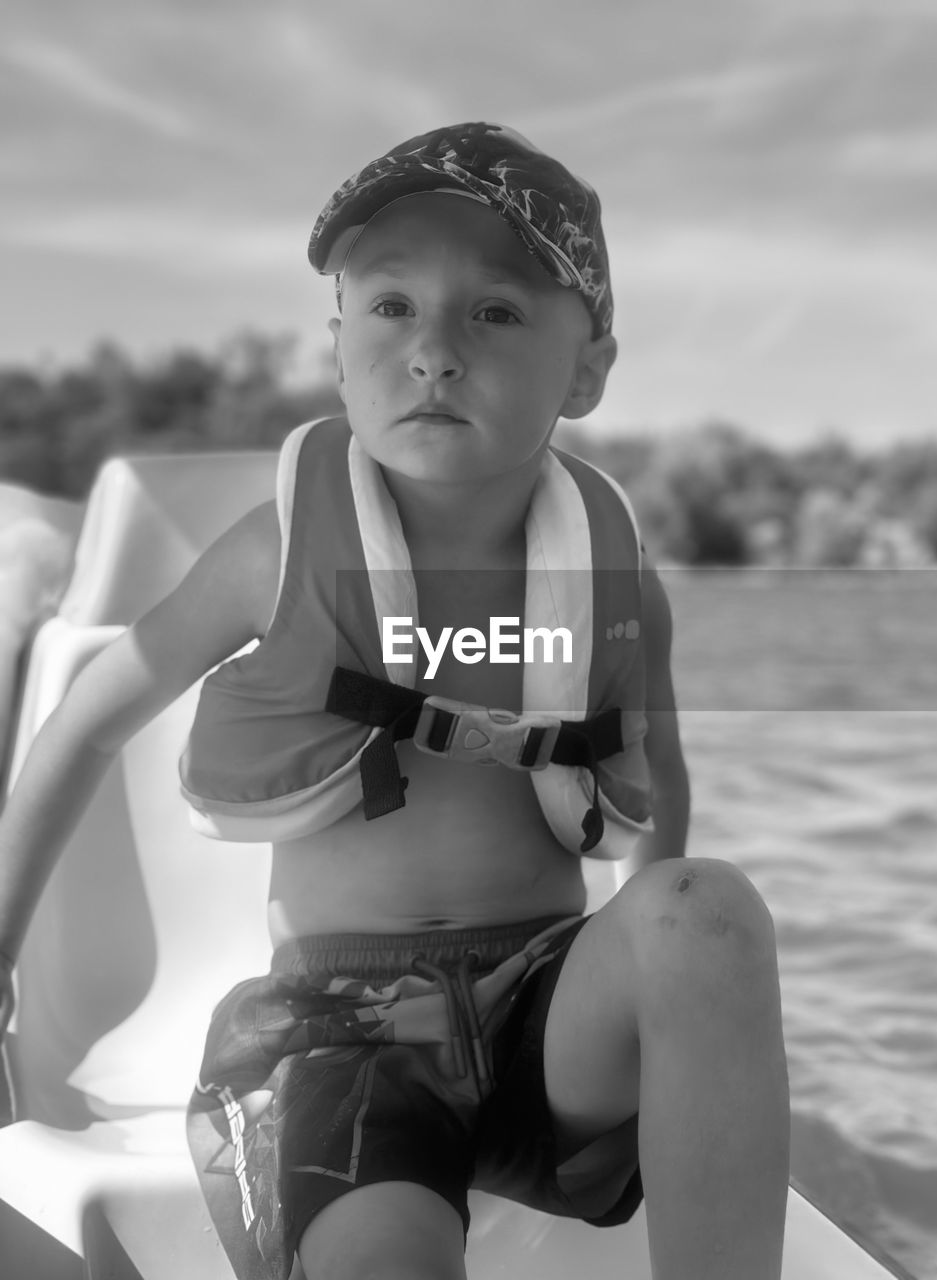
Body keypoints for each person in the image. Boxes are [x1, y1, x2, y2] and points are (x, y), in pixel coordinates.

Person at [0, 122, 789, 1280]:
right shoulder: (279, 547)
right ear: (337, 346)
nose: (433, 352)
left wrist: (663, 999)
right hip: (345, 1031)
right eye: (389, 307)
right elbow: (88, 717)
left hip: (543, 1021)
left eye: (496, 312)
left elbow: (651, 784)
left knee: (707, 912)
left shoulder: (607, 574)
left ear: (588, 369)